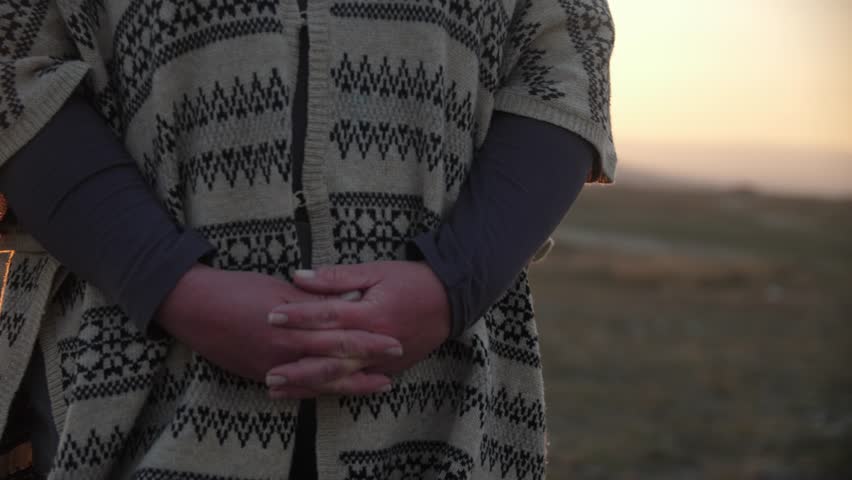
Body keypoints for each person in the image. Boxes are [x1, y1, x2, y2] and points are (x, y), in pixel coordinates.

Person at [0, 0, 616, 478]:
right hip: (116, 387)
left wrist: (455, 281)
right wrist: (164, 281)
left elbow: (564, 54)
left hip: (444, 402)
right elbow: (15, 66)